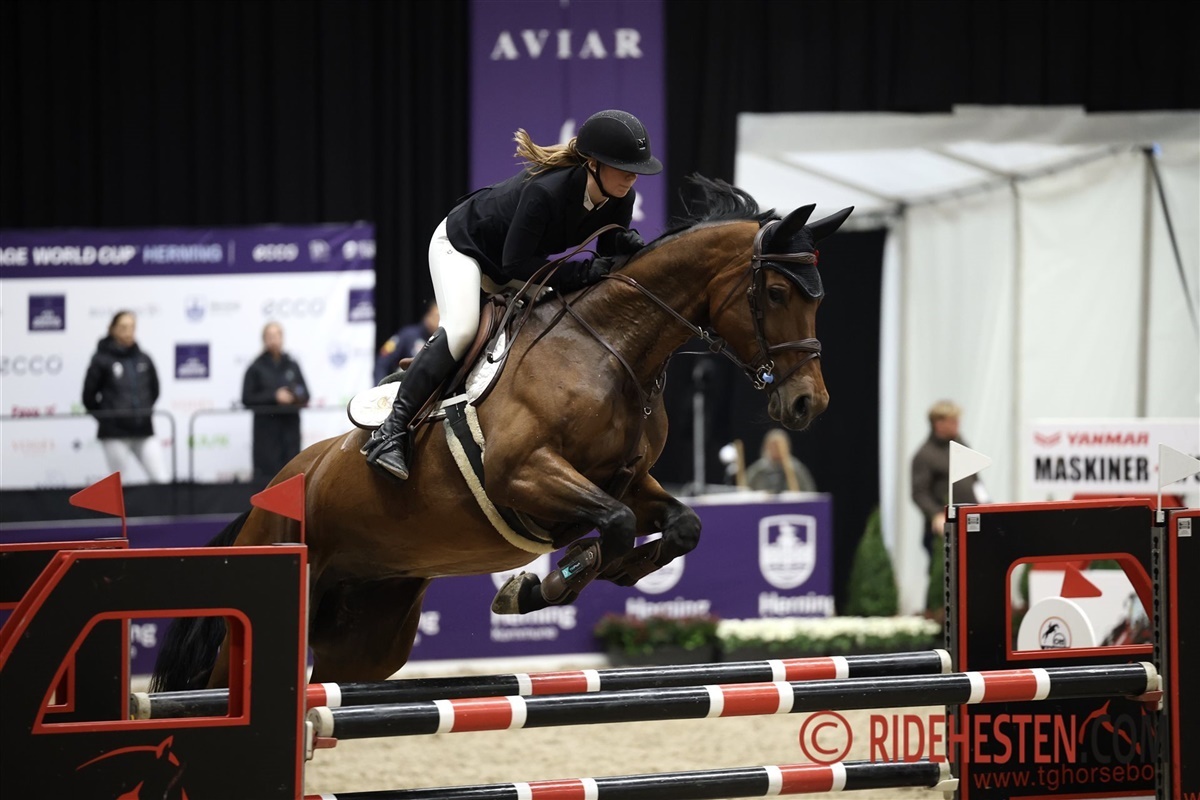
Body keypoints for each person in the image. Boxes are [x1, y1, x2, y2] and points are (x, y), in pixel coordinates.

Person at [362, 109, 663, 480]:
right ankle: (390, 432)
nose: (633, 176)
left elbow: (605, 245)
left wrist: (624, 243)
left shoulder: (620, 196)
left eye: (635, 169)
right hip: (465, 248)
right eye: (623, 167)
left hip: (512, 265)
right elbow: (517, 263)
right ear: (593, 163)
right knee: (461, 330)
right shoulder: (545, 192)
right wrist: (582, 272)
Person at [82, 310, 168, 483]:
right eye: (123, 327)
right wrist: (109, 419)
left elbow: (154, 390)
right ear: (112, 329)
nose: (128, 332)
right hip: (115, 434)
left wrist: (142, 412)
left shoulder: (144, 358)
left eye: (132, 327)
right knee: (120, 485)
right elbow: (88, 397)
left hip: (144, 430)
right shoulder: (101, 360)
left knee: (161, 479)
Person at [911, 400, 986, 555]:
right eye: (953, 421)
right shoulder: (924, 455)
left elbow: (975, 481)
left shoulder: (961, 447)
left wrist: (986, 504)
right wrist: (936, 515)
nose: (958, 424)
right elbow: (919, 493)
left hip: (971, 524)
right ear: (938, 424)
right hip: (942, 531)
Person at [242, 321, 310, 482]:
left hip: (290, 432)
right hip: (266, 435)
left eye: (276, 335)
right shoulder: (256, 367)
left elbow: (306, 394)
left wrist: (293, 397)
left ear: (282, 337)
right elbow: (247, 398)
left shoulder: (292, 364)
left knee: (292, 476)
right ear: (264, 339)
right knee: (268, 480)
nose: (273, 339)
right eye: (269, 336)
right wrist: (274, 396)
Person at [374, 301, 440, 385]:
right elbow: (383, 362)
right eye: (437, 316)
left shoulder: (442, 341)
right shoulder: (408, 335)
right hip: (401, 386)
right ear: (428, 315)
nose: (439, 321)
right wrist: (381, 387)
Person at [745, 429, 818, 493]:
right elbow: (745, 491)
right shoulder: (758, 470)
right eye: (773, 445)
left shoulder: (795, 469)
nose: (776, 449)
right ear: (766, 446)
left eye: (779, 445)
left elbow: (810, 491)